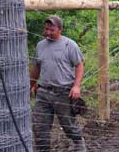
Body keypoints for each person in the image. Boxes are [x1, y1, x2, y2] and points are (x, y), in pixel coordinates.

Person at [30, 15, 86, 152]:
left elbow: (79, 65)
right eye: (46, 29)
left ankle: (80, 145)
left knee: (69, 126)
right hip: (43, 92)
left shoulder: (69, 45)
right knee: (40, 126)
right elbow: (36, 68)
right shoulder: (40, 46)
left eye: (52, 30)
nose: (48, 32)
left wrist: (76, 86)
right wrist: (30, 85)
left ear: (60, 29)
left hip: (63, 92)